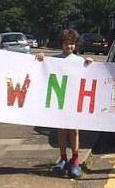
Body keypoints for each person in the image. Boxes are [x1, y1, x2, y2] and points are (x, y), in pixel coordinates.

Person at [36, 28, 93, 178]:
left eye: (72, 44)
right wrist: (41, 58)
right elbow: (41, 66)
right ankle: (63, 158)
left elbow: (89, 73)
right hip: (59, 101)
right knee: (61, 130)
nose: (69, 47)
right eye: (67, 43)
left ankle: (75, 160)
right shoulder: (55, 60)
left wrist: (90, 63)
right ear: (61, 44)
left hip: (74, 101)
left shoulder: (79, 61)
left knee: (74, 130)